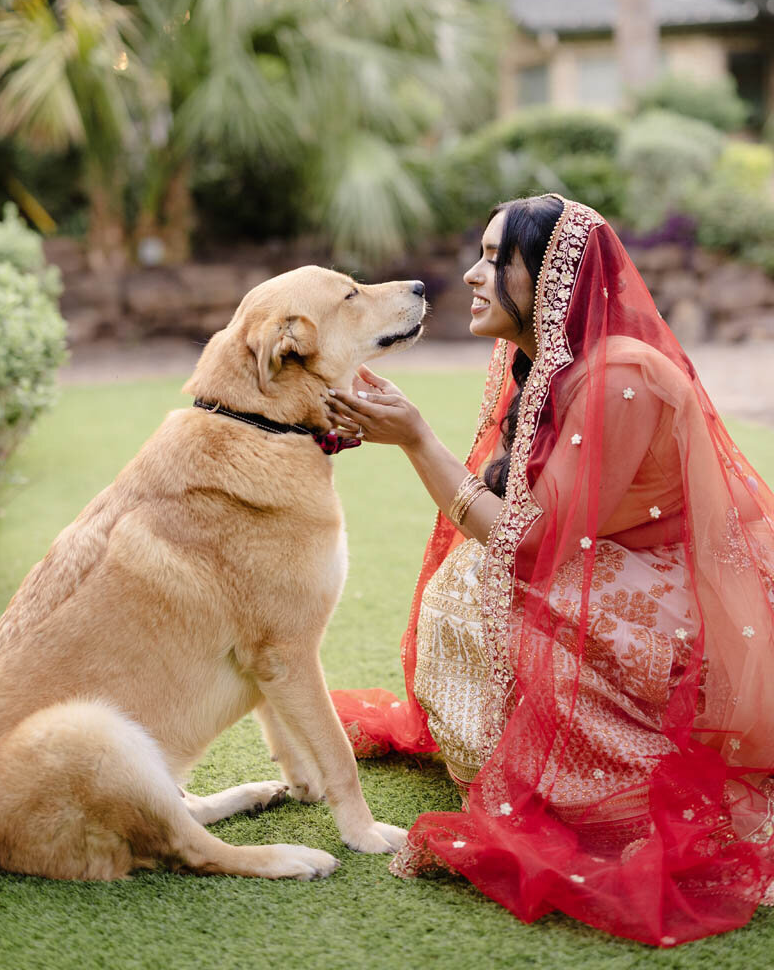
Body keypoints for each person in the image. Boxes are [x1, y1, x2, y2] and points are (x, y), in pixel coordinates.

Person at [326, 193, 774, 947]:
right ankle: (523, 748)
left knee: (485, 583)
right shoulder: (558, 364)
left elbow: (531, 548)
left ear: (557, 280)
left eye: (498, 259)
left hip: (681, 612)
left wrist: (415, 439)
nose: (473, 275)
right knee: (472, 579)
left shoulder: (618, 376)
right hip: (631, 571)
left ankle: (588, 775)